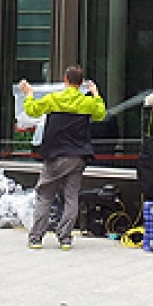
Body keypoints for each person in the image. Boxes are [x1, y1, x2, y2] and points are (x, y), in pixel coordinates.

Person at [19, 65, 106, 250]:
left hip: (55, 156)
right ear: (81, 83)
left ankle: (36, 238)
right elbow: (101, 114)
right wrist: (96, 93)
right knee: (71, 197)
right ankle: (65, 238)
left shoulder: (54, 99)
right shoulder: (87, 102)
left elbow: (32, 110)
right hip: (78, 157)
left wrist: (28, 93)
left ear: (66, 80)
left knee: (45, 195)